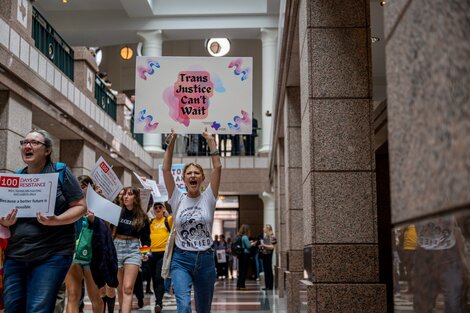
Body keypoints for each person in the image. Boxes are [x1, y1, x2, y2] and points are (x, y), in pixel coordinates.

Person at [0, 129, 86, 313]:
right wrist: (6, 222)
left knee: (37, 309)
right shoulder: (15, 178)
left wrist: (57, 220)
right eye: (24, 142)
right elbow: (3, 218)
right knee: (12, 308)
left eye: (34, 142)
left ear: (47, 150)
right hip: (16, 255)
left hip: (52, 254)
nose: (27, 146)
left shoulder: (60, 171)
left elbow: (80, 206)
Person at [162, 128, 222, 313]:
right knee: (184, 305)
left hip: (205, 260)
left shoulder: (209, 197)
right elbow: (165, 169)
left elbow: (217, 167)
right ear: (184, 179)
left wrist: (211, 141)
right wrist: (171, 143)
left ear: (202, 178)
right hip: (181, 260)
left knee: (204, 309)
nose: (193, 176)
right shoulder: (177, 197)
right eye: (189, 173)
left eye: (197, 173)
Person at [64, 176, 103, 313]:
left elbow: (108, 230)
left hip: (92, 256)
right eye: (78, 186)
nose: (80, 189)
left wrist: (94, 220)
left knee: (95, 296)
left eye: (83, 186)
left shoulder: (99, 205)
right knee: (73, 295)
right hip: (73, 252)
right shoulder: (70, 204)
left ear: (90, 188)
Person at [113, 187, 150, 313]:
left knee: (128, 288)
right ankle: (121, 309)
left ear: (136, 198)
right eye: (124, 194)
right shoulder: (117, 212)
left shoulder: (142, 217)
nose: (126, 197)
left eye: (130, 194)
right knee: (119, 288)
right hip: (117, 246)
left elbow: (146, 239)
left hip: (133, 249)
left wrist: (145, 252)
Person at [148, 202, 173, 313]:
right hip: (152, 254)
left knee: (159, 277)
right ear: (153, 210)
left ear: (163, 209)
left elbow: (176, 218)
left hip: (163, 253)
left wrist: (167, 214)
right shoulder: (150, 222)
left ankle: (158, 302)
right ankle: (159, 301)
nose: (158, 209)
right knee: (154, 278)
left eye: (160, 207)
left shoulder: (168, 220)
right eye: (156, 207)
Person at [236, 224, 256, 290]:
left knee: (241, 270)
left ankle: (239, 284)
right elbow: (249, 246)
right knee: (244, 270)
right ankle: (242, 285)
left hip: (241, 255)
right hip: (245, 254)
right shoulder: (245, 237)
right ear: (246, 230)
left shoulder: (241, 236)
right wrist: (253, 243)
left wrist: (249, 242)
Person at [259, 224, 277, 291]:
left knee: (269, 269)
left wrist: (264, 245)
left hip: (269, 255)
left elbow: (272, 247)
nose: (263, 228)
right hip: (264, 254)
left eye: (264, 227)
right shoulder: (266, 237)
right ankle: (266, 285)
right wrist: (261, 246)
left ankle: (270, 286)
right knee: (266, 270)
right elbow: (266, 246)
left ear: (268, 229)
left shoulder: (272, 236)